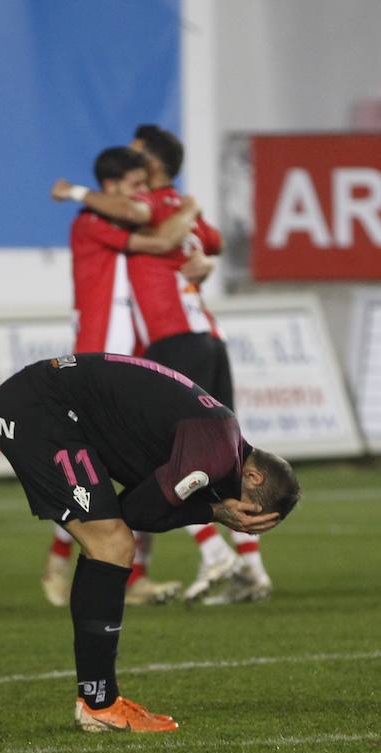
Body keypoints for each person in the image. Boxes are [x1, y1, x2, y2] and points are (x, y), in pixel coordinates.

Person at [0, 352, 301, 732]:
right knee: (112, 543)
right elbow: (137, 513)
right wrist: (214, 513)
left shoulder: (223, 439)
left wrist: (208, 509)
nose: (240, 519)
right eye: (248, 514)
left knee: (109, 543)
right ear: (253, 478)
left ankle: (97, 700)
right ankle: (99, 705)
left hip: (49, 405)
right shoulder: (215, 452)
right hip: (39, 410)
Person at [124, 123, 273, 606]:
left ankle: (214, 553)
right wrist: (202, 255)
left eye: (135, 154)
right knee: (225, 459)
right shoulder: (176, 209)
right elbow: (212, 242)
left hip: (175, 340)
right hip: (210, 338)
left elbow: (158, 228)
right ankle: (252, 567)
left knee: (161, 458)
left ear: (153, 164)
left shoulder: (148, 207)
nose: (126, 161)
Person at [43, 146, 184, 607]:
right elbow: (159, 240)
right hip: (97, 363)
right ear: (110, 187)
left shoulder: (131, 218)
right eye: (134, 184)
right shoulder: (90, 222)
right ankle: (60, 556)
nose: (142, 193)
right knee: (99, 473)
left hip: (137, 361)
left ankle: (135, 576)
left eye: (146, 183)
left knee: (149, 469)